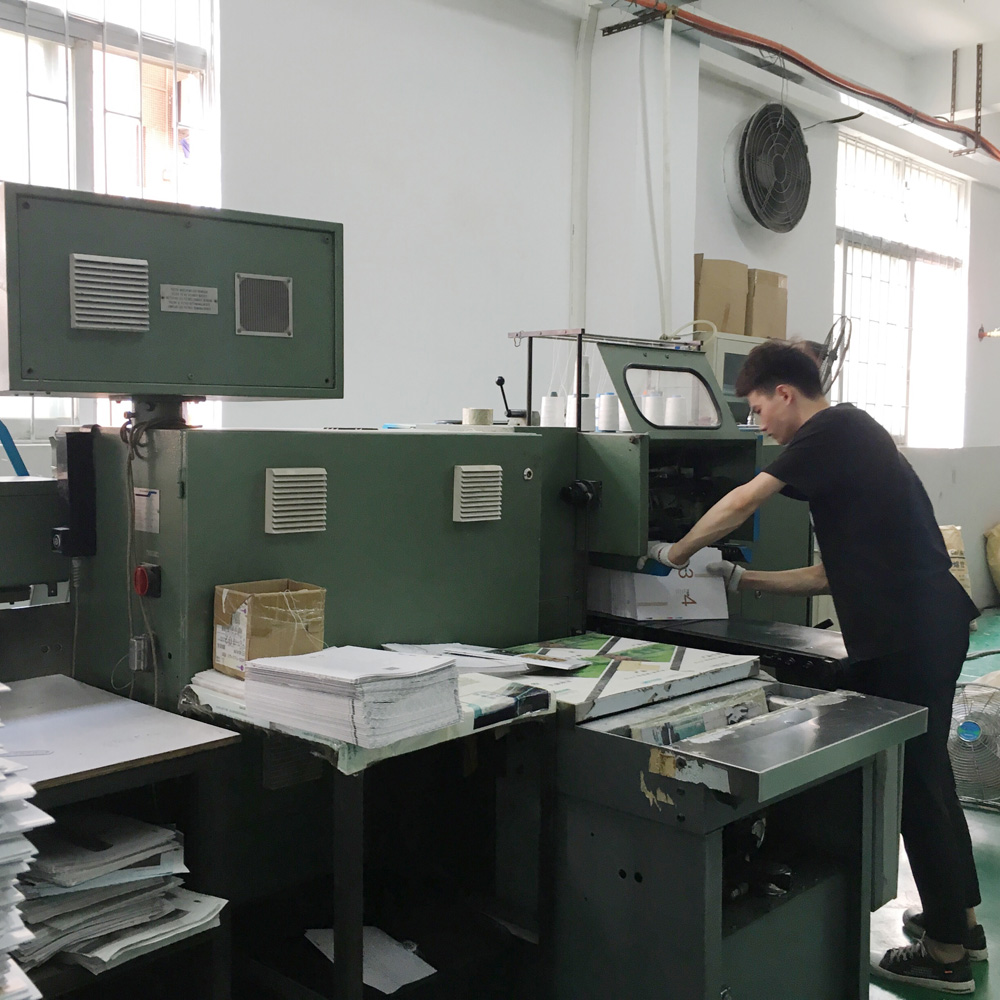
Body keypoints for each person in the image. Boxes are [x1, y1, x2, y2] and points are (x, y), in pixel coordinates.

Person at [648, 339, 984, 994]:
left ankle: (946, 956)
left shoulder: (835, 428)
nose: (758, 426)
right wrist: (742, 580)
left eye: (757, 409)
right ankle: (961, 922)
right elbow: (829, 575)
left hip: (910, 637)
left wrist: (674, 553)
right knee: (931, 777)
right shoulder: (848, 449)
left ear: (785, 394)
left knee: (916, 786)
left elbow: (743, 501)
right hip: (925, 628)